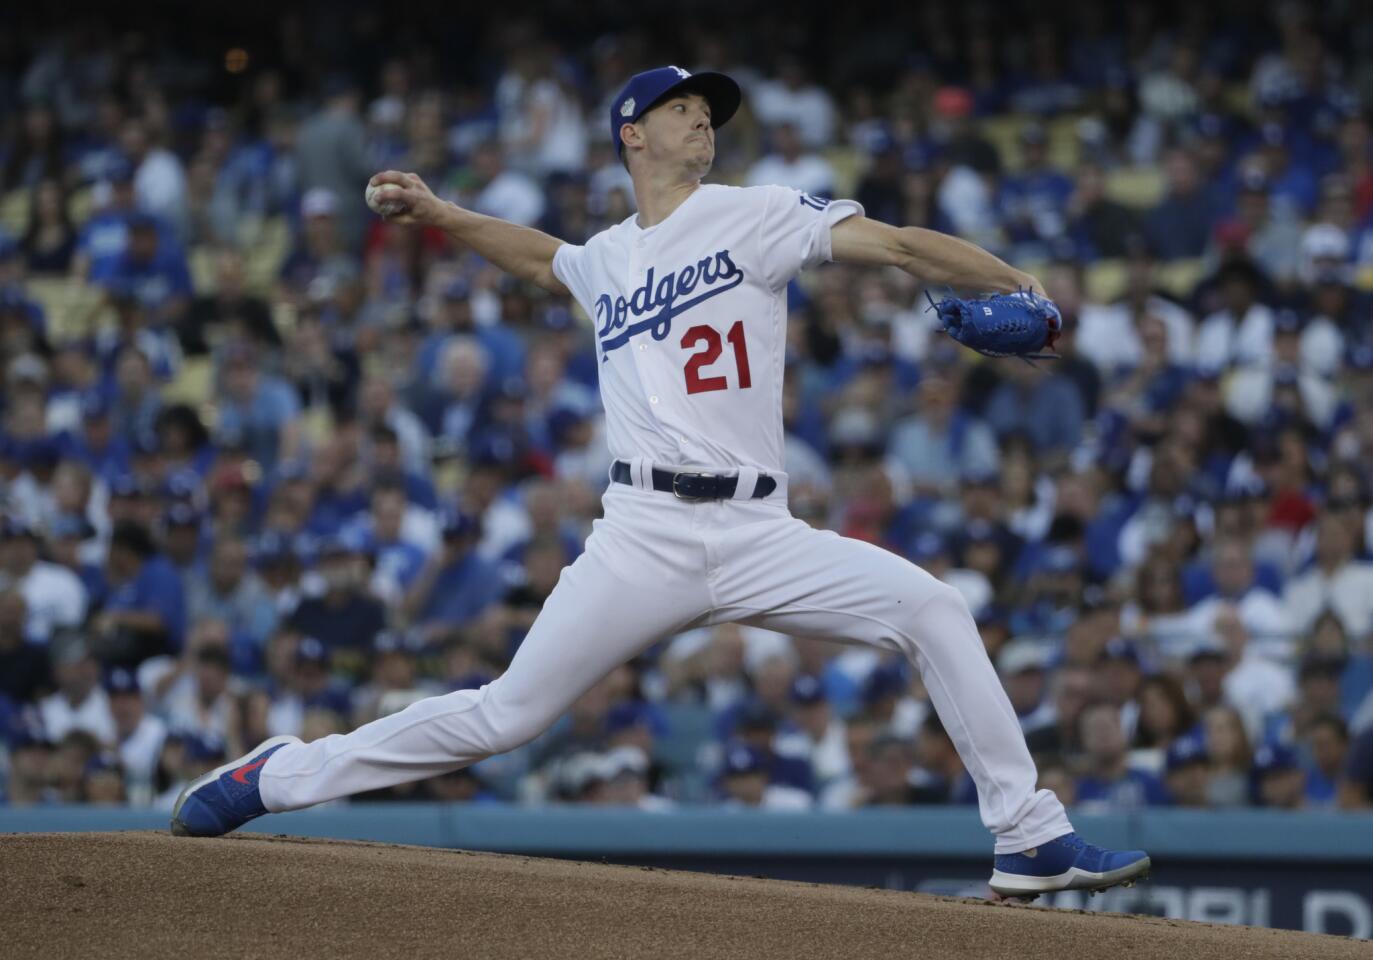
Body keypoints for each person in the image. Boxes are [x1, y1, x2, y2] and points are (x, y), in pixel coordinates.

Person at [170, 65, 1149, 899]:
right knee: (504, 715)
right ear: (631, 134)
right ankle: (278, 776)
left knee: (933, 609)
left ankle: (1025, 834)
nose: (703, 123)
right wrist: (439, 213)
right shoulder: (607, 258)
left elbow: (894, 245)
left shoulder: (753, 216)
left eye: (709, 113)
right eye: (684, 109)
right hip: (640, 533)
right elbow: (538, 257)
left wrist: (1018, 285)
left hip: (760, 533)